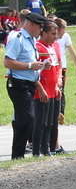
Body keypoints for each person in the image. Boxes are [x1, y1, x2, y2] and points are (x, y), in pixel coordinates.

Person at [3, 12, 48, 159]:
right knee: (28, 119)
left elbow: (30, 65)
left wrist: (40, 66)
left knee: (24, 119)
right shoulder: (18, 39)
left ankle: (18, 155)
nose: (41, 31)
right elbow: (8, 62)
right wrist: (30, 65)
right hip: (18, 84)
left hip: (28, 84)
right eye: (40, 27)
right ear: (32, 24)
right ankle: (18, 155)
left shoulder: (31, 40)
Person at [32, 20, 62, 156]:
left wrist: (57, 84)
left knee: (50, 122)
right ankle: (36, 151)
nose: (55, 36)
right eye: (52, 34)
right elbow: (34, 69)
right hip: (42, 91)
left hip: (53, 90)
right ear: (43, 33)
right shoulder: (38, 47)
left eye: (56, 33)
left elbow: (57, 67)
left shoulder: (53, 46)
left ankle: (46, 148)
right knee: (41, 122)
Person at [53, 17, 76, 153]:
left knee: (61, 92)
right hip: (53, 69)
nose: (64, 34)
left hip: (61, 69)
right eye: (62, 31)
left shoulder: (65, 37)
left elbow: (72, 51)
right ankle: (56, 114)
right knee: (56, 93)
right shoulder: (50, 38)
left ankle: (60, 113)